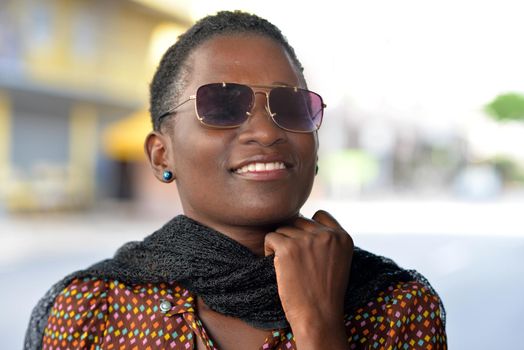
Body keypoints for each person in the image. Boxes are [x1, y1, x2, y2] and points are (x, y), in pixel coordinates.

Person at [25, 11, 447, 350]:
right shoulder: (89, 311)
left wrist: (319, 326)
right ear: (160, 154)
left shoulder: (396, 308)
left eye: (291, 106)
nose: (267, 132)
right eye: (224, 105)